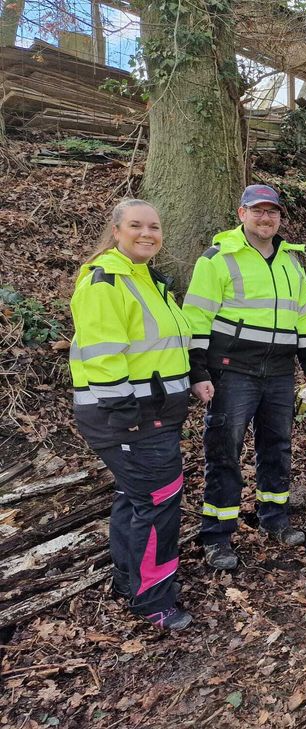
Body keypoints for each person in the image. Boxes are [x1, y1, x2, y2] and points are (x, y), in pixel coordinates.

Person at [70, 199, 193, 630]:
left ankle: (129, 579)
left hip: (154, 414)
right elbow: (103, 355)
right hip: (130, 417)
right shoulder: (106, 282)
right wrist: (127, 415)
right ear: (117, 230)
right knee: (159, 501)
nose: (147, 233)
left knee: (135, 496)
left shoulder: (150, 280)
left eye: (154, 227)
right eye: (136, 226)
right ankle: (153, 599)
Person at [183, 185, 306, 570]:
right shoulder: (217, 259)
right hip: (231, 371)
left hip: (278, 372)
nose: (266, 218)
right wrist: (198, 370)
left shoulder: (291, 263)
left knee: (277, 446)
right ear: (242, 214)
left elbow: (303, 318)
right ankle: (217, 534)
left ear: (279, 217)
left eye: (272, 212)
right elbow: (195, 318)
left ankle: (274, 517)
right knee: (224, 450)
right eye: (258, 211)